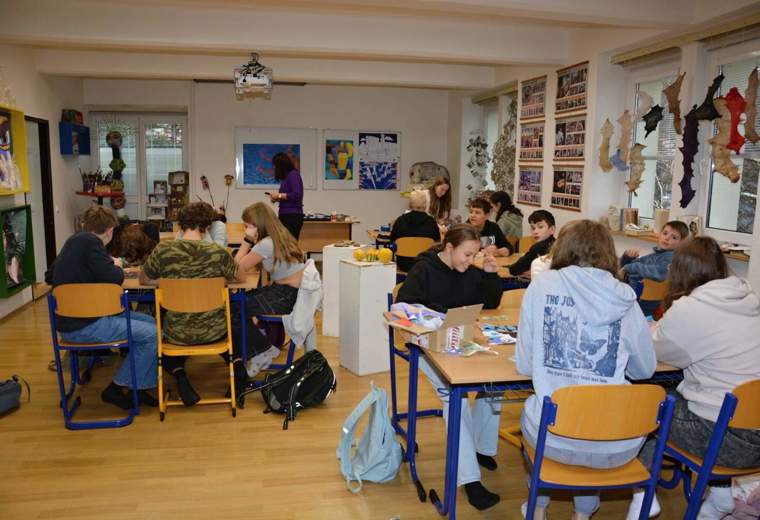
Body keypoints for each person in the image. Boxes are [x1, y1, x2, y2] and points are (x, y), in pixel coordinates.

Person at [516, 220, 656, 520]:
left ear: (562, 248)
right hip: (617, 441)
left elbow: (525, 365)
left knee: (540, 409)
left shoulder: (542, 286)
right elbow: (644, 370)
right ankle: (583, 514)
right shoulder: (625, 297)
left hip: (554, 437)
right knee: (594, 415)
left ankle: (538, 505)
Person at [627, 237, 760, 520]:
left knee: (647, 404)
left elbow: (651, 350)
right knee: (686, 397)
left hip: (722, 440)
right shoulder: (750, 300)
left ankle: (642, 492)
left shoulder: (690, 308)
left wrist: (656, 326)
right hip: (754, 434)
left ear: (680, 270)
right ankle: (721, 496)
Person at [396, 224, 504, 511]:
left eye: (474, 255)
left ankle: (480, 447)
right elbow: (403, 306)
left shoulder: (468, 270)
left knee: (495, 385)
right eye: (467, 255)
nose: (470, 261)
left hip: (461, 342)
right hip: (428, 346)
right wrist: (438, 317)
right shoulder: (424, 269)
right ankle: (470, 480)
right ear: (448, 248)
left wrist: (490, 274)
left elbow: (491, 302)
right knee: (455, 399)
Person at [45, 206, 158, 410]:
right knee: (153, 333)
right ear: (110, 230)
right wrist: (115, 265)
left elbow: (49, 276)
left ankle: (139, 387)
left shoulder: (73, 241)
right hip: (85, 325)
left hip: (70, 323)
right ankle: (116, 387)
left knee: (150, 321)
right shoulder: (92, 243)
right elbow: (115, 277)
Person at [140, 202, 246, 406]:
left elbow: (144, 279)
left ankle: (180, 375)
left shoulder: (164, 250)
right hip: (214, 331)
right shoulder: (217, 252)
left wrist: (169, 282)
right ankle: (238, 368)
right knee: (233, 321)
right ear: (207, 226)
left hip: (177, 332)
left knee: (163, 334)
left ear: (180, 225)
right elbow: (241, 278)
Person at [234, 202, 307, 376]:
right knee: (237, 303)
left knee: (234, 308)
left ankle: (262, 350)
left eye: (247, 226)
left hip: (285, 295)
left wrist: (246, 241)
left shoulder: (265, 244)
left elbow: (235, 269)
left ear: (258, 225)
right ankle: (261, 347)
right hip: (288, 292)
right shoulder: (281, 236)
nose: (245, 230)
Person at [618, 220, 688, 316]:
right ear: (660, 235)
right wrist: (628, 258)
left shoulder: (671, 257)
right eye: (665, 233)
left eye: (674, 237)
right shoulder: (655, 255)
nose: (667, 238)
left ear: (681, 243)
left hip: (643, 304)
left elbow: (660, 273)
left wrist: (630, 266)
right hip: (634, 298)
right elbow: (627, 267)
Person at [389, 190, 442, 272]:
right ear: (425, 205)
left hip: (403, 264)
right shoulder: (431, 222)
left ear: (410, 204)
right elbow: (437, 242)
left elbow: (392, 239)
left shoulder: (400, 220)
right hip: (425, 263)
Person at [508, 209, 556, 276]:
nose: (535, 232)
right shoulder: (558, 244)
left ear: (552, 229)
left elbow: (514, 269)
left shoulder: (537, 248)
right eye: (533, 228)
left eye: (540, 227)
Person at [268, 151, 304, 240]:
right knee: (284, 243)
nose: (274, 168)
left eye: (275, 166)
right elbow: (288, 197)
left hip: (292, 216)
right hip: (285, 214)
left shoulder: (294, 175)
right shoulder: (286, 178)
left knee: (289, 244)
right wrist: (276, 198)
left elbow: (297, 195)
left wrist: (279, 196)